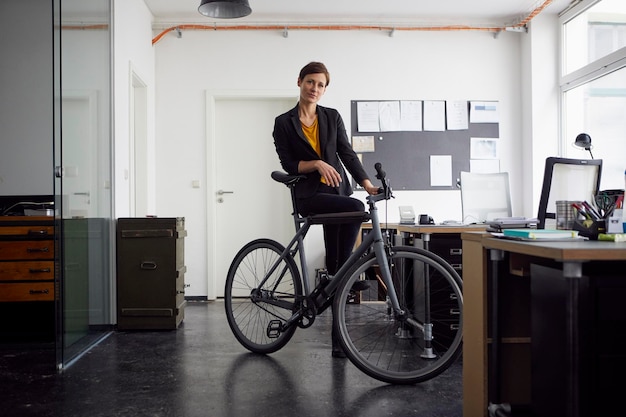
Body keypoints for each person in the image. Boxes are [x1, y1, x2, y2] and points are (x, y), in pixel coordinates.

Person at [272, 61, 379, 357]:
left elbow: (346, 152)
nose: (315, 89)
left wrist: (367, 183)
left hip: (336, 194)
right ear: (299, 82)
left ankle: (338, 339)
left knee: (339, 270)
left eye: (320, 85)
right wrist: (318, 163)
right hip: (309, 196)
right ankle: (340, 273)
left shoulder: (331, 117)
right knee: (357, 209)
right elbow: (288, 164)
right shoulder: (284, 122)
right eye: (310, 82)